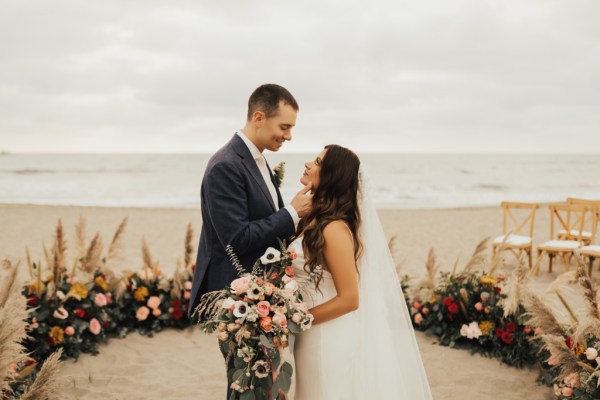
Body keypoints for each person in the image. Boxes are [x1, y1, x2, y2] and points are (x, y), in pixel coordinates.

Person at [187, 84, 312, 399]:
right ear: (259, 117)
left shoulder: (258, 159)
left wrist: (299, 221)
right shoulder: (225, 166)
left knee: (260, 384)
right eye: (284, 127)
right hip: (236, 294)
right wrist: (290, 213)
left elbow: (265, 226)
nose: (289, 136)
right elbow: (237, 238)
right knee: (244, 385)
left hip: (260, 291)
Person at [289, 144, 433, 399]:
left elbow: (350, 299)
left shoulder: (333, 229)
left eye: (318, 162)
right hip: (312, 333)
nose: (308, 164)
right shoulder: (314, 220)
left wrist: (296, 319)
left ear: (333, 176)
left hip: (327, 336)